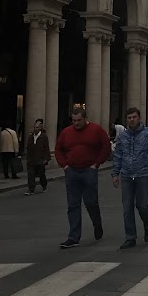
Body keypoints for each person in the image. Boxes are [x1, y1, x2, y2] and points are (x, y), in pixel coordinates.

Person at [55, 106, 111, 249]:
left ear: (85, 118)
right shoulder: (66, 132)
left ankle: (97, 223)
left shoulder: (96, 130)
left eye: (79, 120)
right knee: (73, 205)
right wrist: (64, 165)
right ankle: (73, 237)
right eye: (73, 120)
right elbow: (58, 149)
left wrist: (96, 164)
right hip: (72, 171)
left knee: (91, 202)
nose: (76, 123)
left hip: (88, 170)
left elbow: (106, 146)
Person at [111, 108, 148, 249]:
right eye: (129, 117)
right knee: (127, 207)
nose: (132, 120)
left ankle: (147, 225)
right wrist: (115, 174)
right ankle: (130, 237)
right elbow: (118, 155)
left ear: (139, 118)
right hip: (127, 175)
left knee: (141, 205)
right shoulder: (123, 136)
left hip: (143, 174)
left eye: (134, 117)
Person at [25, 118, 51, 196]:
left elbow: (46, 148)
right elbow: (28, 147)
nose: (35, 129)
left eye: (37, 127)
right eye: (34, 127)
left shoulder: (44, 136)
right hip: (31, 159)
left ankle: (44, 185)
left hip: (40, 159)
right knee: (31, 175)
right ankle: (31, 189)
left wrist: (46, 159)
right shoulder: (31, 136)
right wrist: (27, 157)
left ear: (40, 128)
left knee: (41, 174)